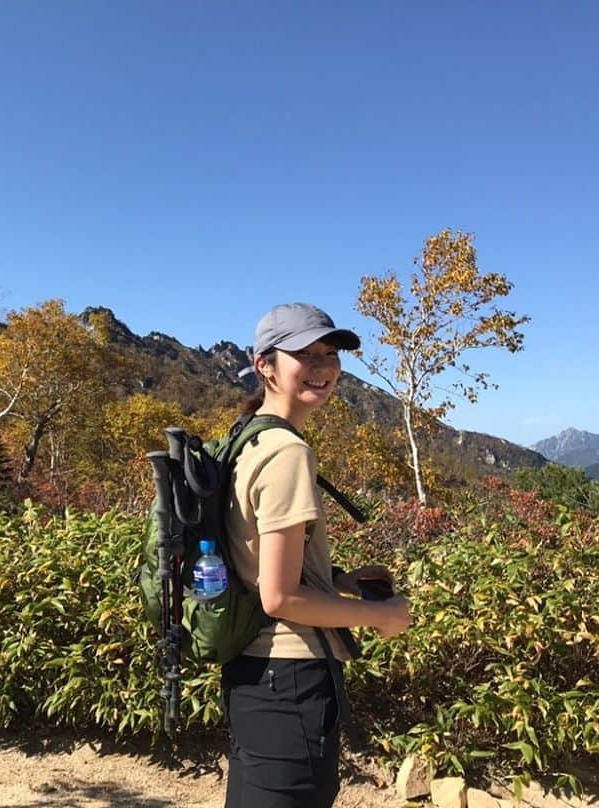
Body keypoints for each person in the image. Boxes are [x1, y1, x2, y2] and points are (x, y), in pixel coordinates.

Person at [222, 302, 413, 808]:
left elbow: (254, 554)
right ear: (264, 364)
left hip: (249, 673)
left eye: (330, 353)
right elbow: (280, 597)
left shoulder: (246, 438)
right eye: (304, 354)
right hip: (291, 678)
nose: (324, 367)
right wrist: (379, 615)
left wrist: (340, 579)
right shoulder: (287, 454)